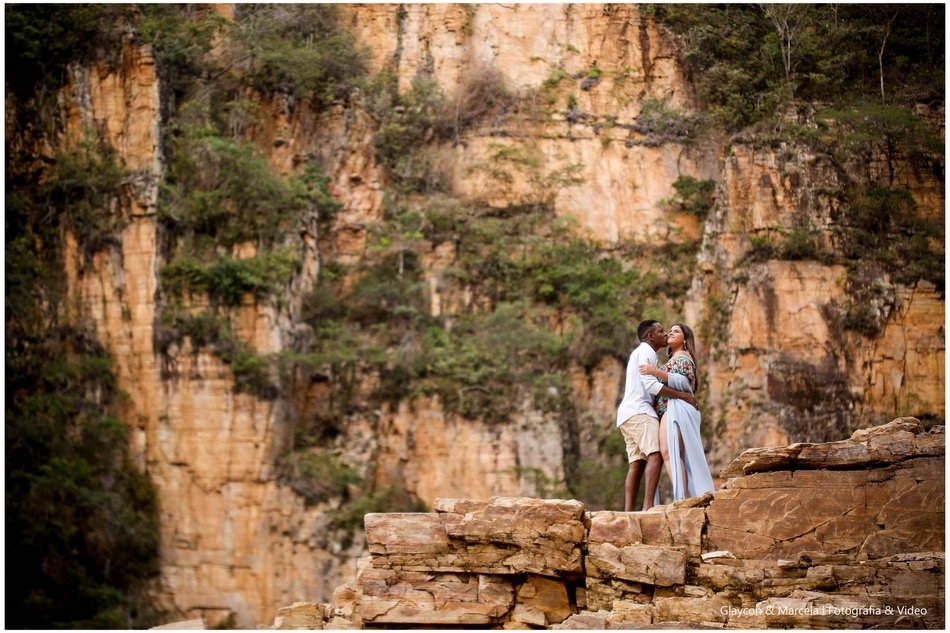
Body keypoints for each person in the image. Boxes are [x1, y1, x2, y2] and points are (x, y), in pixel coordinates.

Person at [616, 319, 698, 511]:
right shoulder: (646, 352)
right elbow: (651, 386)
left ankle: (628, 513)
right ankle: (647, 507)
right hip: (640, 412)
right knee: (656, 455)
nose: (665, 334)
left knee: (636, 464)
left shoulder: (642, 353)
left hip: (627, 414)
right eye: (661, 331)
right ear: (651, 336)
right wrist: (683, 395)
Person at [639, 322, 715, 501]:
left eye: (676, 331)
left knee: (670, 452)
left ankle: (685, 497)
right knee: (671, 453)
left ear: (685, 339)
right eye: (670, 330)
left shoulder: (683, 357)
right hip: (671, 408)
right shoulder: (674, 358)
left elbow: (683, 381)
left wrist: (654, 371)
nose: (671, 333)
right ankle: (684, 496)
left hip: (676, 408)